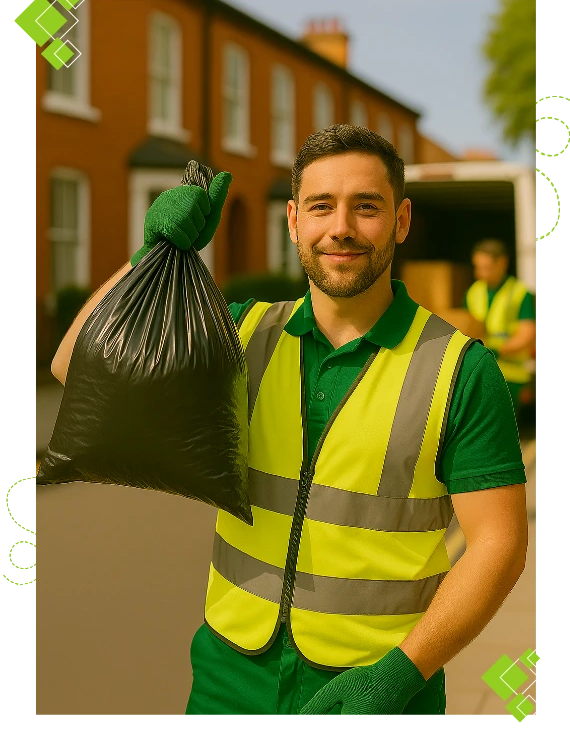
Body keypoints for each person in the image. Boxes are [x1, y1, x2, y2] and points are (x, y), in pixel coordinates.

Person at [51, 124, 528, 717]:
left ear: (401, 221)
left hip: (382, 692)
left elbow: (499, 545)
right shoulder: (239, 336)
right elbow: (73, 363)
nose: (341, 228)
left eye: (367, 207)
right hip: (229, 682)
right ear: (293, 221)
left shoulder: (462, 370)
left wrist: (401, 675)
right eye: (321, 206)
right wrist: (155, 254)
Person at [463, 238, 536, 419]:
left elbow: (527, 334)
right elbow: (465, 327)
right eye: (477, 267)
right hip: (479, 372)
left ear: (502, 263)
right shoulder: (473, 292)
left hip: (511, 376)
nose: (479, 273)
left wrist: (497, 350)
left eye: (486, 267)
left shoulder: (520, 293)